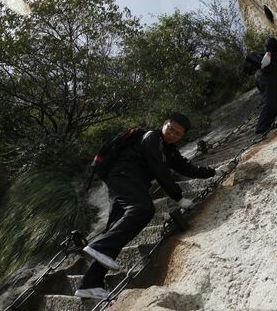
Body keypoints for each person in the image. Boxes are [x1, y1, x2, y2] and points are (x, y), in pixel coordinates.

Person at [75, 112, 217, 299]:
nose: (172, 134)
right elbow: (160, 171)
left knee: (118, 229)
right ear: (163, 124)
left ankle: (90, 284)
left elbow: (185, 167)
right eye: (170, 129)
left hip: (126, 181)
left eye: (178, 133)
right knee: (143, 209)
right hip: (124, 175)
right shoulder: (152, 138)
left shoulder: (169, 150)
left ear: (182, 136)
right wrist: (179, 198)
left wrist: (211, 172)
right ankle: (100, 246)